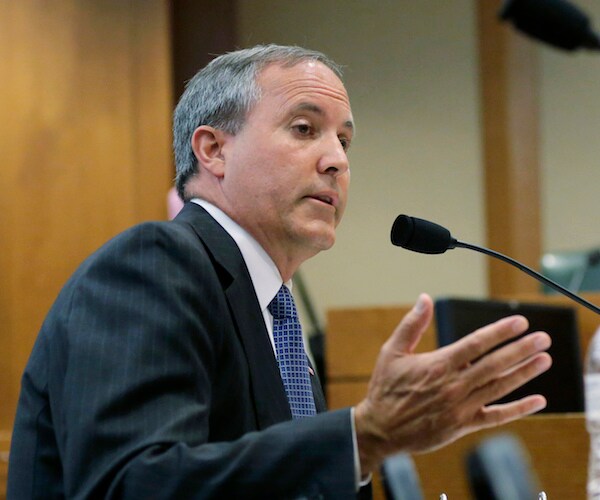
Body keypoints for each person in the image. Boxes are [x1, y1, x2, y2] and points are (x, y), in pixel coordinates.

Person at [7, 44, 552, 499]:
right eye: (303, 128)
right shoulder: (153, 264)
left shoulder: (275, 311)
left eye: (344, 140)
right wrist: (360, 436)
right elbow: (128, 486)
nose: (336, 159)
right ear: (213, 149)